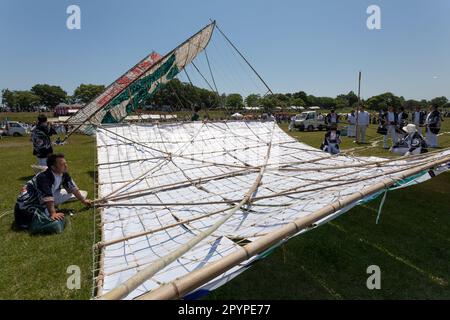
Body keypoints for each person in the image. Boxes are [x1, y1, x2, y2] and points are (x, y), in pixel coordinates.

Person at [14, 153, 91, 234]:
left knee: (76, 194)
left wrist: (84, 201)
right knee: (51, 219)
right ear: (53, 167)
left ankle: (49, 209)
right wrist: (53, 213)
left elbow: (73, 188)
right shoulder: (44, 177)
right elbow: (47, 196)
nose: (66, 166)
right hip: (28, 207)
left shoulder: (63, 173)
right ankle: (45, 213)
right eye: (62, 164)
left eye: (65, 163)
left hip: (42, 199)